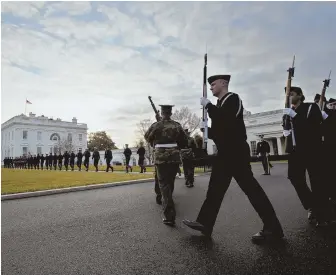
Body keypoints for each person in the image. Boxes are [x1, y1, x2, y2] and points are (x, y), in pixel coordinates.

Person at [183, 74, 284, 242]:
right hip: (224, 153)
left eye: (213, 84)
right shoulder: (219, 105)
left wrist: (209, 107)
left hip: (236, 152)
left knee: (252, 190)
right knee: (214, 190)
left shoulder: (233, 99)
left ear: (224, 83)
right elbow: (222, 133)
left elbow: (226, 119)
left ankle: (273, 228)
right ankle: (205, 223)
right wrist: (206, 130)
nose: (211, 88)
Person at [283, 87, 332, 227]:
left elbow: (314, 128)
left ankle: (323, 214)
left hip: (312, 150)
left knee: (316, 180)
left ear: (300, 95)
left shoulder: (311, 107)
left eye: (291, 94)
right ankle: (311, 205)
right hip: (295, 151)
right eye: (287, 94)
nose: (288, 96)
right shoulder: (288, 112)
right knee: (294, 177)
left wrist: (294, 116)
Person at [145, 104, 189, 226]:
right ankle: (169, 201)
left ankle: (169, 215)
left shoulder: (156, 125)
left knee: (163, 185)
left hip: (161, 157)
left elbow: (148, 138)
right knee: (170, 183)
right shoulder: (177, 125)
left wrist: (158, 139)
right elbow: (184, 141)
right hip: (174, 157)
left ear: (162, 113)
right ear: (170, 113)